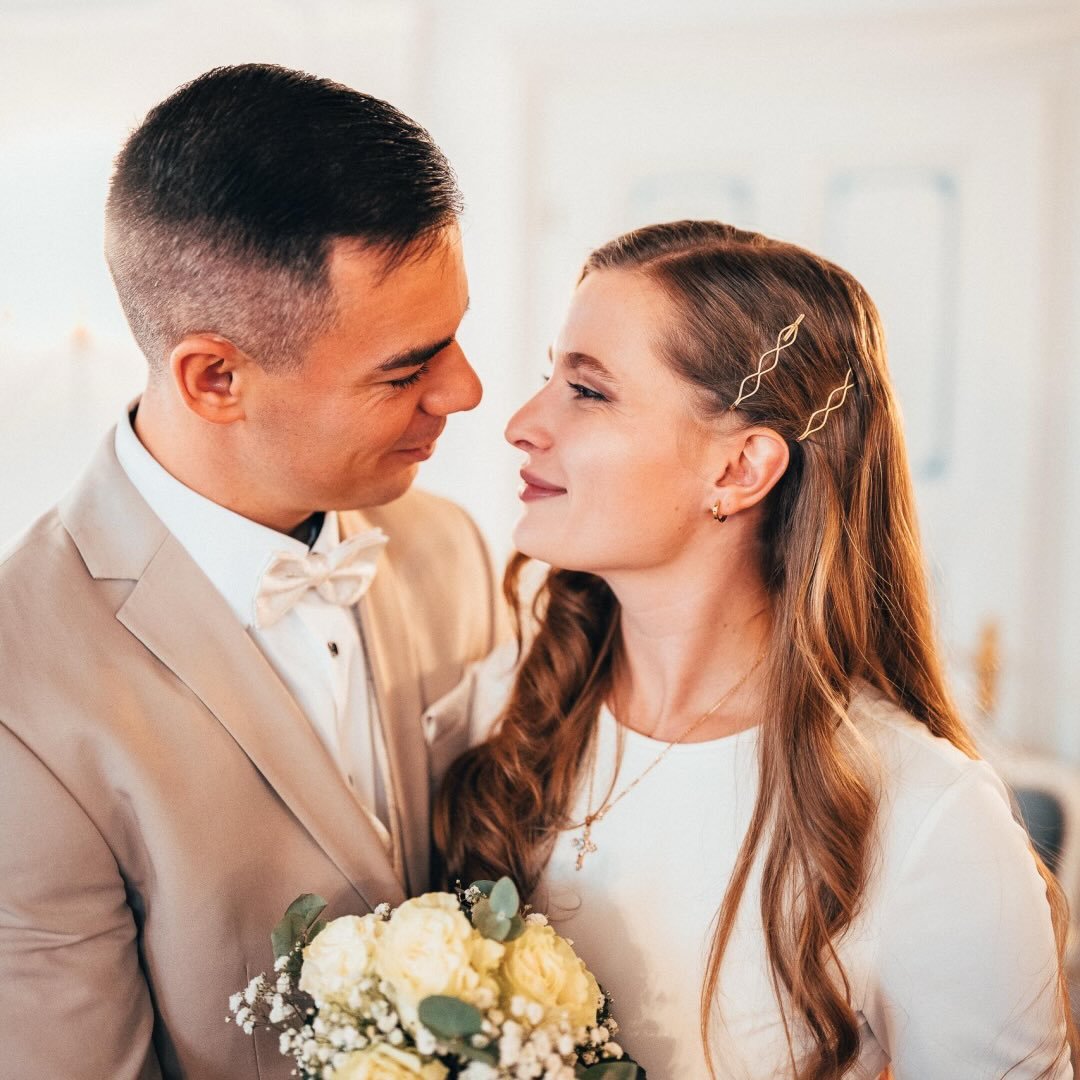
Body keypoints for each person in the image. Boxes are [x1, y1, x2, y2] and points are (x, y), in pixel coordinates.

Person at [431, 221, 1077, 1078]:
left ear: (740, 470)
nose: (521, 424)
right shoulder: (499, 703)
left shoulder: (925, 816)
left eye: (586, 391)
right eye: (549, 377)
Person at [0, 64, 504, 1079]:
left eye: (454, 338)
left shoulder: (450, 548)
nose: (467, 389)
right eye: (408, 367)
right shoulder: (21, 687)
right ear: (216, 377)